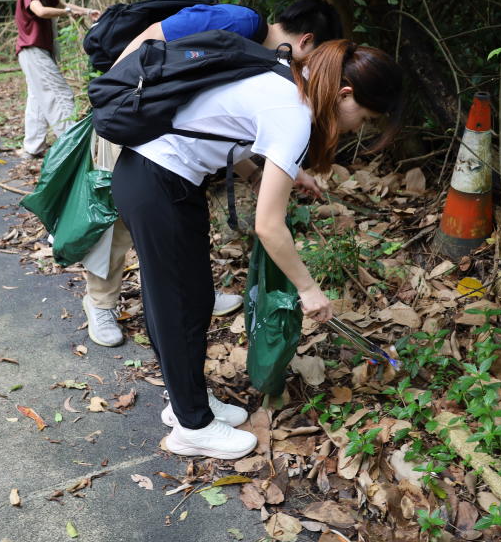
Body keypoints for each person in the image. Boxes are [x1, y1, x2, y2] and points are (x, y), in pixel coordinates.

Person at [111, 39, 403, 459]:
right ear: (345, 94)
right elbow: (269, 226)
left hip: (163, 177)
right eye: (365, 116)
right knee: (175, 307)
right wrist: (308, 290)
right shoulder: (296, 114)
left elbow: (223, 126)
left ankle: (187, 401)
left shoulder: (287, 75)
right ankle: (191, 425)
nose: (360, 127)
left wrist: (269, 173)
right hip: (156, 180)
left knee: (193, 301)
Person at [83, 0, 345, 348]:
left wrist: (255, 173)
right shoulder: (239, 22)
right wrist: (119, 95)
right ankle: (101, 302)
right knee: (117, 220)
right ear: (306, 42)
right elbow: (149, 36)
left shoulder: (263, 61)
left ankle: (193, 292)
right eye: (317, 61)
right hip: (132, 113)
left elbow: (215, 123)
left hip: (166, 131)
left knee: (176, 221)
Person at [14, 0, 99, 158]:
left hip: (35, 51)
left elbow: (63, 5)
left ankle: (32, 148)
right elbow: (41, 12)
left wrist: (87, 11)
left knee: (37, 99)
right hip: (33, 51)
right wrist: (68, 13)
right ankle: (73, 147)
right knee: (59, 94)